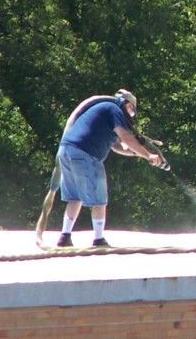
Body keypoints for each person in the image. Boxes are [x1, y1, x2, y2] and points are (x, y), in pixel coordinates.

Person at [55, 89, 164, 248]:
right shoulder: (114, 109)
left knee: (75, 197)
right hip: (86, 154)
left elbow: (117, 146)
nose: (132, 114)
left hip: (66, 152)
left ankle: (64, 237)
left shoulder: (104, 110)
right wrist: (149, 155)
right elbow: (126, 137)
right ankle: (98, 240)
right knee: (100, 198)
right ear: (127, 104)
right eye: (133, 110)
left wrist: (140, 154)